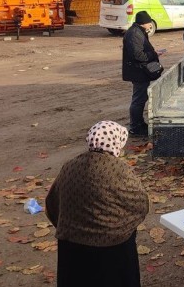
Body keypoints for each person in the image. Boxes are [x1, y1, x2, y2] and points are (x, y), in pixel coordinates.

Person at [45, 121, 150, 287]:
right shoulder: (120, 170)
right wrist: (120, 228)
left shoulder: (69, 166)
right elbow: (140, 204)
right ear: (117, 142)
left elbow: (52, 203)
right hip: (112, 250)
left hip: (71, 248)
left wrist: (74, 228)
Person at [122, 10, 163, 137]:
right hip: (137, 71)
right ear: (144, 23)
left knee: (141, 98)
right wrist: (154, 54)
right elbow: (138, 55)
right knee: (138, 99)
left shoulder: (138, 32)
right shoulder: (135, 34)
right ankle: (135, 127)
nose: (151, 25)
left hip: (139, 70)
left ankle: (139, 123)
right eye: (149, 22)